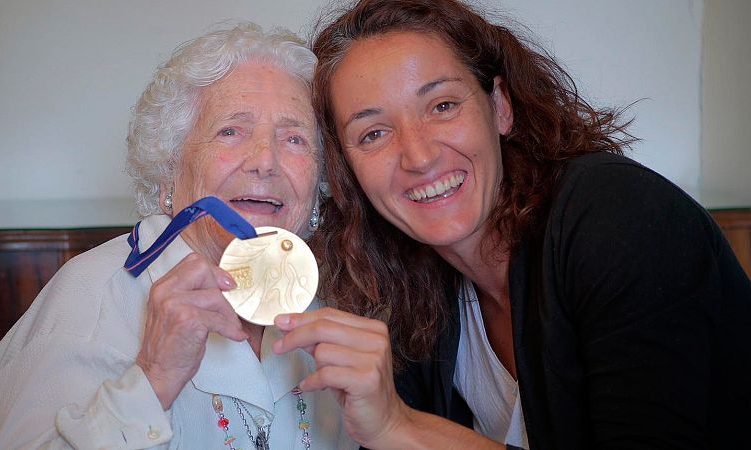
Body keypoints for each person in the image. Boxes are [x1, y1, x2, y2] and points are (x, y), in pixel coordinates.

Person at [272, 0, 751, 449]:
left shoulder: (623, 219)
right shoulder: (414, 289)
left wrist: (400, 425)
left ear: (499, 106)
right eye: (374, 133)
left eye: (442, 106)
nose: (418, 156)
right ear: (346, 168)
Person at [0, 23, 355, 449]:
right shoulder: (93, 297)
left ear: (320, 183)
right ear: (170, 166)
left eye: (295, 138)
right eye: (231, 131)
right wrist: (154, 378)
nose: (265, 161)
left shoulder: (338, 303)